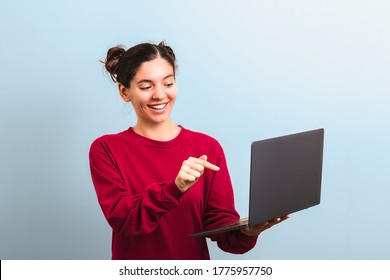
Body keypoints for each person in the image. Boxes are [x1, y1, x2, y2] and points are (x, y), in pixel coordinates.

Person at [89, 41, 288, 260]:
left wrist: (248, 231)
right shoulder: (106, 149)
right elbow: (125, 221)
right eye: (146, 87)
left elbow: (224, 233)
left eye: (168, 83)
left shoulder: (207, 147)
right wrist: (175, 188)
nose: (159, 95)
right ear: (125, 92)